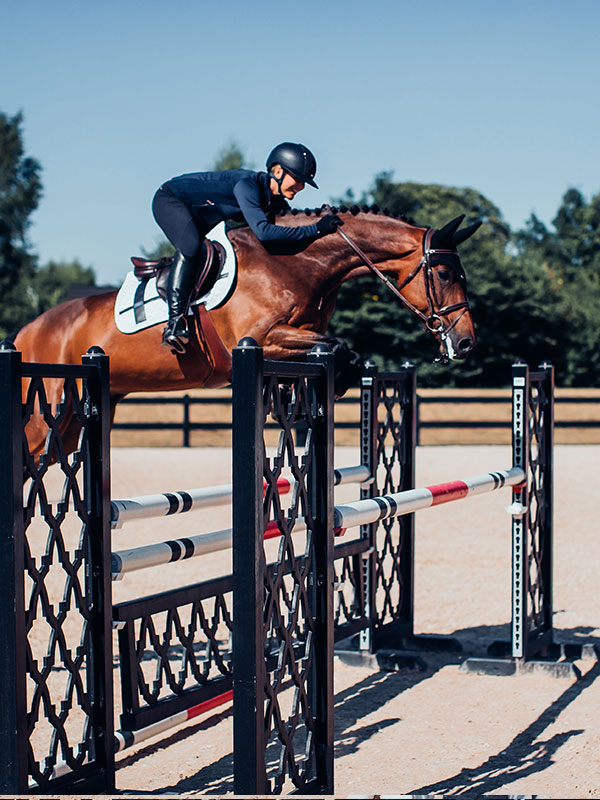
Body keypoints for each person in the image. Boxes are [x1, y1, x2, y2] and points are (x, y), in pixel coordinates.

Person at [152, 142, 343, 353]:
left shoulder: (274, 200)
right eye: (298, 179)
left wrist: (321, 226)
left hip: (203, 214)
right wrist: (316, 230)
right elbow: (265, 233)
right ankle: (175, 322)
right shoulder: (247, 186)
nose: (301, 187)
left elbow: (288, 231)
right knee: (191, 244)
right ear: (278, 171)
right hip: (170, 200)